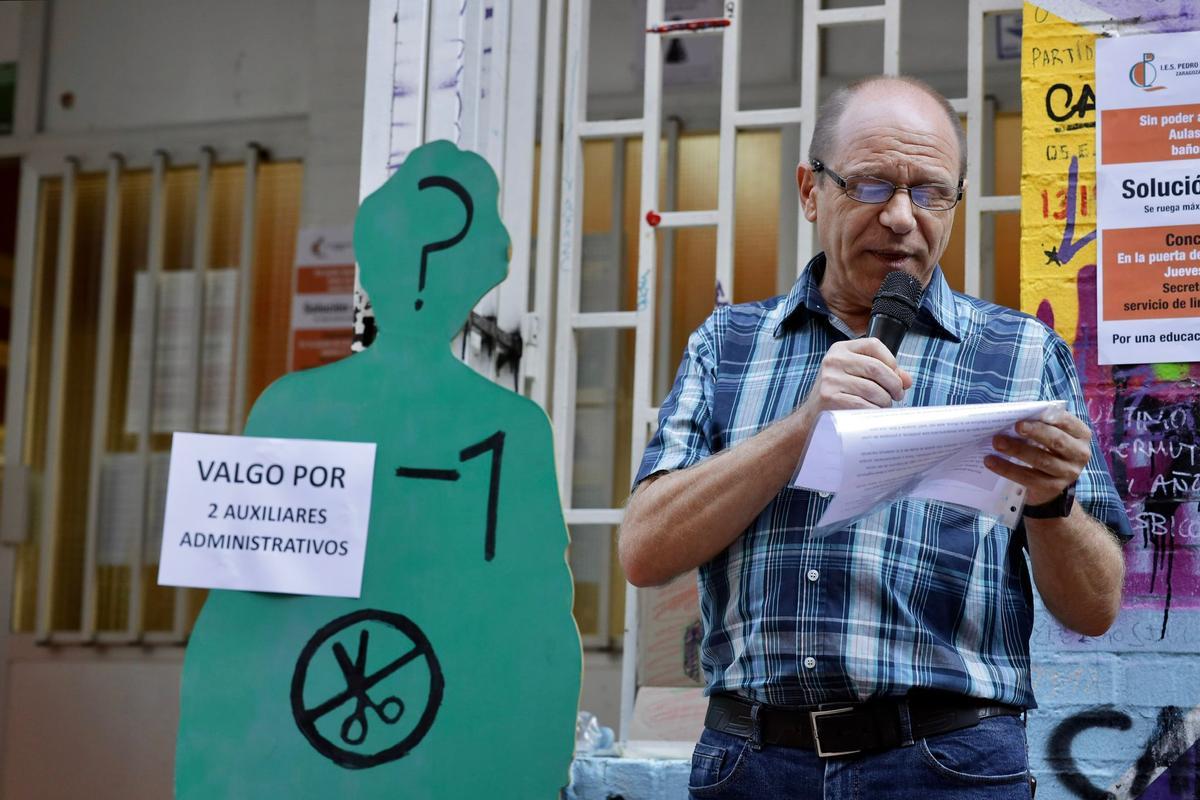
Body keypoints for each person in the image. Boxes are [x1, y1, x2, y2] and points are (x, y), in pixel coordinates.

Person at [618, 75, 1131, 799]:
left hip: (948, 765)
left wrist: (1051, 503)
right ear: (809, 190)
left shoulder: (1020, 356)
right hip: (755, 763)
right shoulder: (727, 344)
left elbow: (1095, 607)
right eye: (871, 186)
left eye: (929, 192)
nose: (900, 218)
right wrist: (802, 426)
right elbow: (644, 552)